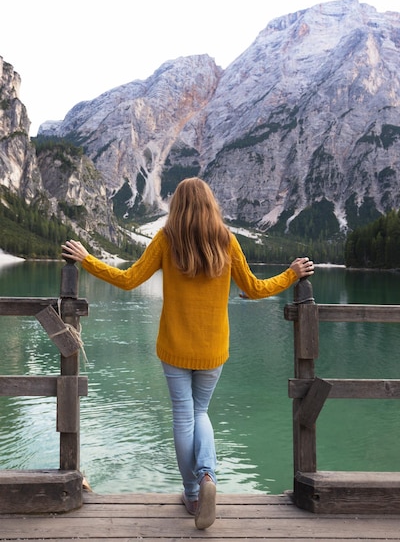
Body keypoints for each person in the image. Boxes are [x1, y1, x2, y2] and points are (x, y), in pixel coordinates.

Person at [62, 177, 314, 529]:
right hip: (213, 348)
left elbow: (129, 279)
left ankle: (193, 494)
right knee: (201, 412)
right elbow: (256, 289)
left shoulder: (167, 239)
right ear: (211, 205)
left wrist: (87, 259)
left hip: (174, 347)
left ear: (177, 206)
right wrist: (291, 273)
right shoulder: (227, 241)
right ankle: (208, 476)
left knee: (184, 416)